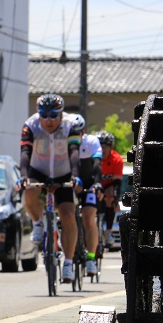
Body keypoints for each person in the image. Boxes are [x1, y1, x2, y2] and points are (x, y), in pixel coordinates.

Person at [17, 94, 82, 283]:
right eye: (44, 116)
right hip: (39, 170)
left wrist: (75, 175)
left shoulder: (72, 124)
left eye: (54, 116)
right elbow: (25, 153)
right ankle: (37, 223)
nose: (48, 120)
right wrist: (23, 176)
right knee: (29, 191)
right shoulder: (30, 125)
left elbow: (74, 151)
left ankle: (68, 263)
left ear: (61, 113)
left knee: (68, 214)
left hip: (64, 172)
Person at [75, 116, 103, 277]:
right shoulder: (62, 142)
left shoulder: (91, 142)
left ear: (83, 131)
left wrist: (98, 183)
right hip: (71, 182)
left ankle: (91, 257)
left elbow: (97, 165)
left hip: (89, 182)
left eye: (78, 132)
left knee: (88, 217)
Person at [98, 131, 124, 248]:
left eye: (106, 146)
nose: (102, 149)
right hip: (95, 184)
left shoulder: (116, 159)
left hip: (108, 185)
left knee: (110, 196)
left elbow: (117, 183)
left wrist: (115, 199)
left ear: (111, 147)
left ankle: (108, 231)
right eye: (100, 146)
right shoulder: (93, 157)